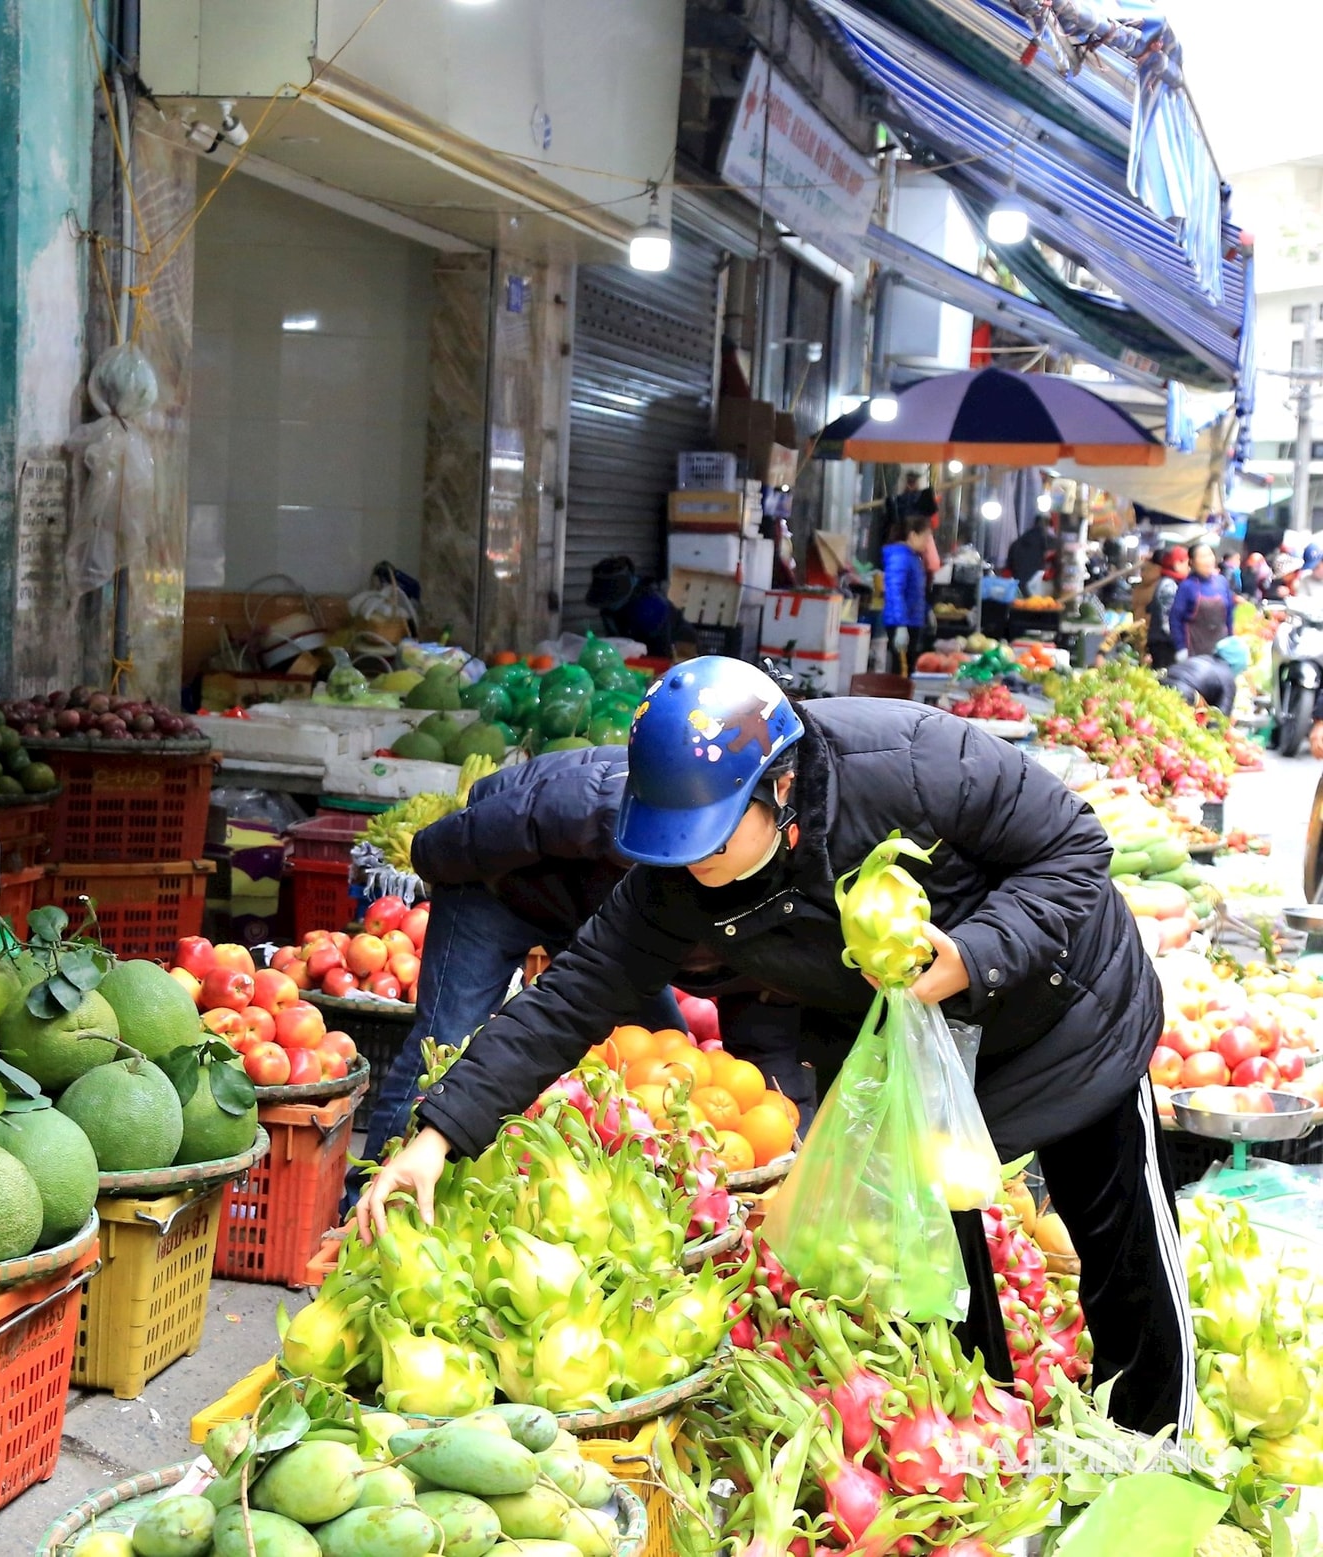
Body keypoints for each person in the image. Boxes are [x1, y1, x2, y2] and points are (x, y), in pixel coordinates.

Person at [358, 657, 1190, 1438]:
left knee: (1123, 1250)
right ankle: (989, 1444)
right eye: (673, 842)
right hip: (907, 1063)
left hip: (1065, 1012)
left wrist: (975, 953)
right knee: (933, 1279)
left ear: (781, 787)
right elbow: (571, 997)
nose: (691, 864)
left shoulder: (912, 758)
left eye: (712, 838)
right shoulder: (678, 882)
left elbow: (1077, 848)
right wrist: (438, 1135)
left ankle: (1160, 1451)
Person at [360, 746, 817, 1169]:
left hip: (600, 930)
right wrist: (433, 855)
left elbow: (766, 1071)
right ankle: (367, 1202)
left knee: (664, 1069)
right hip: (494, 880)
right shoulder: (643, 819)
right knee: (445, 1047)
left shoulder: (778, 943)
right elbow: (533, 814)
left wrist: (793, 1154)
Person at [879, 511, 932, 674]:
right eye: (925, 537)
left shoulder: (913, 557)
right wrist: (900, 625)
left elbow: (915, 591)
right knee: (900, 671)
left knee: (907, 671)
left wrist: (927, 610)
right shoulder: (899, 557)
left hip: (912, 620)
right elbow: (894, 592)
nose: (927, 542)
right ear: (912, 535)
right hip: (901, 622)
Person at [1170, 542, 1236, 659]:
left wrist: (1231, 638)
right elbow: (1175, 619)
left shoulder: (1222, 582)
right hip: (1195, 648)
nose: (1208, 560)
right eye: (1202, 557)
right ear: (1192, 562)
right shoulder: (1187, 586)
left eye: (1210, 555)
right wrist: (1181, 647)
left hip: (1221, 646)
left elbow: (1229, 614)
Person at [1160, 636, 1246, 716]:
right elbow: (1220, 718)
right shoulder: (1228, 677)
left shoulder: (1201, 658)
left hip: (1160, 685)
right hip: (1184, 697)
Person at [1146, 545, 1188, 667]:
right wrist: (1178, 640)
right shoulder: (1169, 585)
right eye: (1186, 562)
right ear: (1176, 564)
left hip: (1162, 641)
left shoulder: (1171, 583)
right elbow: (1166, 618)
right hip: (1164, 643)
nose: (1189, 567)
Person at [1005, 514, 1052, 588]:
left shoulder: (1017, 542)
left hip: (1017, 586)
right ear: (1047, 526)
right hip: (1035, 587)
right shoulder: (1046, 544)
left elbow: (1009, 566)